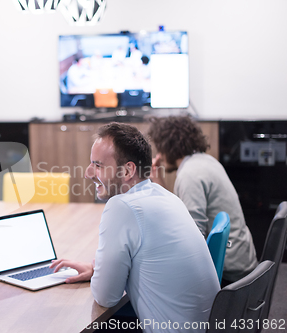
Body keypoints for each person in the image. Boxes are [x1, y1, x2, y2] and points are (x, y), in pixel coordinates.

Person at [50, 123, 220, 333]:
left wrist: (100, 275)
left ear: (128, 170)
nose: (88, 173)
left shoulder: (122, 206)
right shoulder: (165, 196)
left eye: (98, 165)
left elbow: (106, 296)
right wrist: (98, 271)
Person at [147, 116, 258, 284]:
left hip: (230, 273)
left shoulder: (189, 175)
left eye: (160, 149)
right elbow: (185, 215)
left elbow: (191, 237)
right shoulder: (205, 162)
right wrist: (160, 184)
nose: (159, 156)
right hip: (241, 259)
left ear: (169, 147)